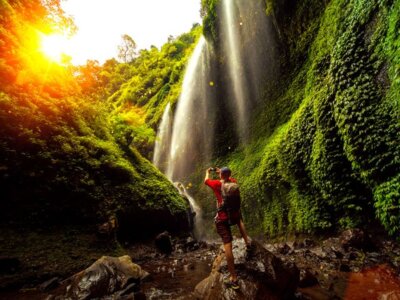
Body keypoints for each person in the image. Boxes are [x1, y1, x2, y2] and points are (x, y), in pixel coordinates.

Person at [204, 166, 251, 290]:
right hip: (234, 214)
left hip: (223, 218)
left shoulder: (216, 184)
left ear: (221, 175)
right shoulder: (233, 182)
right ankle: (248, 243)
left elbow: (206, 181)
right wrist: (223, 172)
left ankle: (234, 278)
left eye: (220, 173)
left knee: (228, 244)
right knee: (239, 219)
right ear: (229, 175)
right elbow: (227, 177)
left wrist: (207, 172)